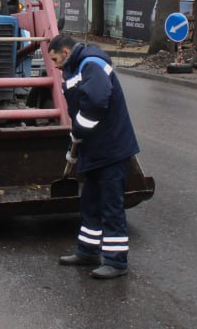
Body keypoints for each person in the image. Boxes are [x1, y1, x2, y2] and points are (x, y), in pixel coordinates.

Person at [47, 33, 140, 279]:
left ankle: (116, 261)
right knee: (90, 203)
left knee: (111, 206)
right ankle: (88, 251)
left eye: (56, 60)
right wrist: (76, 143)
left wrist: (78, 131)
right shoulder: (76, 68)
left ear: (65, 53)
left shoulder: (92, 63)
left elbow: (97, 102)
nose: (55, 66)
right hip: (95, 149)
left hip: (111, 149)